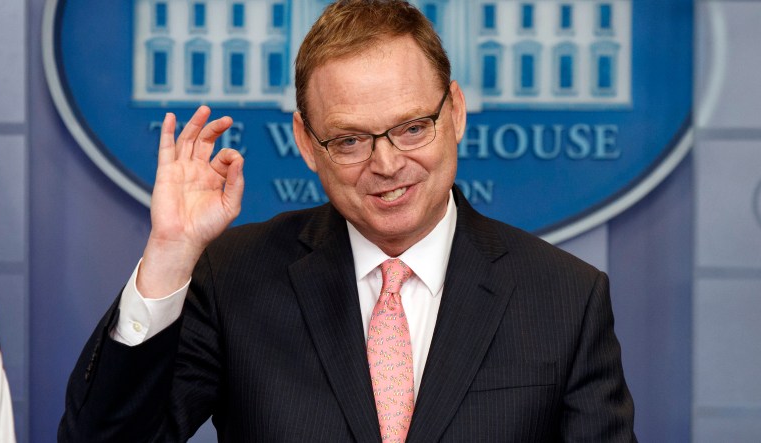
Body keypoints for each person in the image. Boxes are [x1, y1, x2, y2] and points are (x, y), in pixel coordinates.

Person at [60, 1, 635, 441]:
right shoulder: (234, 278)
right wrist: (168, 255)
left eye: (412, 127)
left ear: (454, 112)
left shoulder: (565, 297)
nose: (386, 165)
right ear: (306, 144)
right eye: (351, 139)